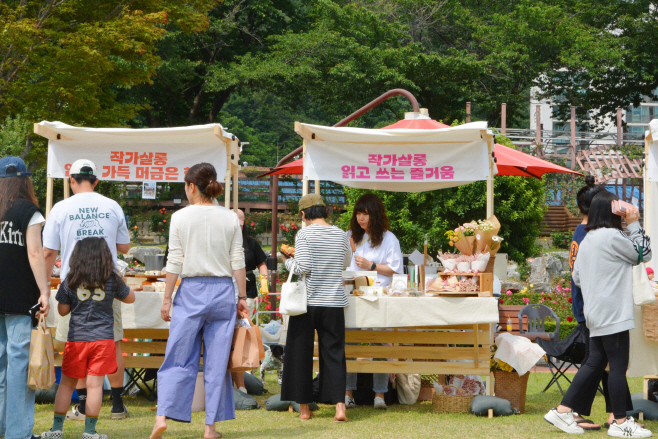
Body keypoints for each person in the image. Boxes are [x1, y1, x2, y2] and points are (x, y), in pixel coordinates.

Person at [149, 163, 247, 439]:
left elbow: (174, 261)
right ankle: (210, 428)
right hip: (223, 292)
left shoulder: (180, 217)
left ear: (192, 186)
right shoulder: (229, 217)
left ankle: (162, 415)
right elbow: (237, 261)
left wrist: (167, 298)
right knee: (217, 363)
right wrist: (243, 297)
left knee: (177, 356)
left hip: (191, 289)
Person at [545, 190, 653, 438]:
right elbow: (644, 254)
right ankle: (620, 422)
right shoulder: (613, 237)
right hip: (613, 312)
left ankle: (562, 410)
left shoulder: (589, 238)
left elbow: (577, 278)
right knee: (616, 367)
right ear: (612, 212)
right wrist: (634, 222)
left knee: (594, 362)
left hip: (594, 312)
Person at [43, 159, 131, 420]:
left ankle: (82, 407)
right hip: (108, 283)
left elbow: (48, 251)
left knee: (75, 343)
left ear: (71, 181)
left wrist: (43, 285)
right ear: (96, 181)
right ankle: (116, 406)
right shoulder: (112, 205)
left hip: (72, 286)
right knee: (112, 342)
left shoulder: (60, 207)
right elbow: (124, 247)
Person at [42, 238, 135, 439]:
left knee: (66, 384)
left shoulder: (71, 280)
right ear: (105, 257)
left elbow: (63, 310)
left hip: (77, 339)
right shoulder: (111, 278)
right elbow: (130, 298)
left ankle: (56, 429)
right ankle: (90, 432)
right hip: (103, 341)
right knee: (95, 386)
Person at [280, 193, 351, 422]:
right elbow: (346, 263)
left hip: (307, 303)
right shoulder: (340, 234)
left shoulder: (304, 234)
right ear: (325, 211)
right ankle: (340, 407)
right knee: (334, 353)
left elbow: (303, 266)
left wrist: (286, 260)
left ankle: (304, 410)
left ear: (303, 214)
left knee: (300, 354)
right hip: (333, 303)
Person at [0, 156, 50, 439]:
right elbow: (35, 253)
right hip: (20, 298)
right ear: (25, 180)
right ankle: (17, 433)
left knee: (1, 369)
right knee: (19, 367)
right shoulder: (29, 211)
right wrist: (44, 291)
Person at [344, 193, 403, 410]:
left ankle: (380, 395)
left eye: (365, 214)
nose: (361, 218)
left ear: (375, 215)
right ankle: (348, 393)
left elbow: (396, 269)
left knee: (378, 341)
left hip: (379, 295)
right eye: (358, 213)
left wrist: (371, 266)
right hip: (354, 295)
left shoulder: (388, 238)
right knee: (349, 341)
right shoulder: (350, 235)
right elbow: (344, 264)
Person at [565, 176, 612, 431]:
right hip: (590, 306)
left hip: (584, 305)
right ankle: (571, 410)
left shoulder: (580, 231)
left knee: (600, 361)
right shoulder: (589, 235)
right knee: (597, 361)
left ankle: (610, 412)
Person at [231, 209, 269, 393]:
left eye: (241, 221)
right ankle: (237, 381)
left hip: (249, 293)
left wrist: (264, 282)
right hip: (227, 291)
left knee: (244, 334)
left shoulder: (251, 243)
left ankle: (248, 375)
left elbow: (262, 263)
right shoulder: (224, 242)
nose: (239, 224)